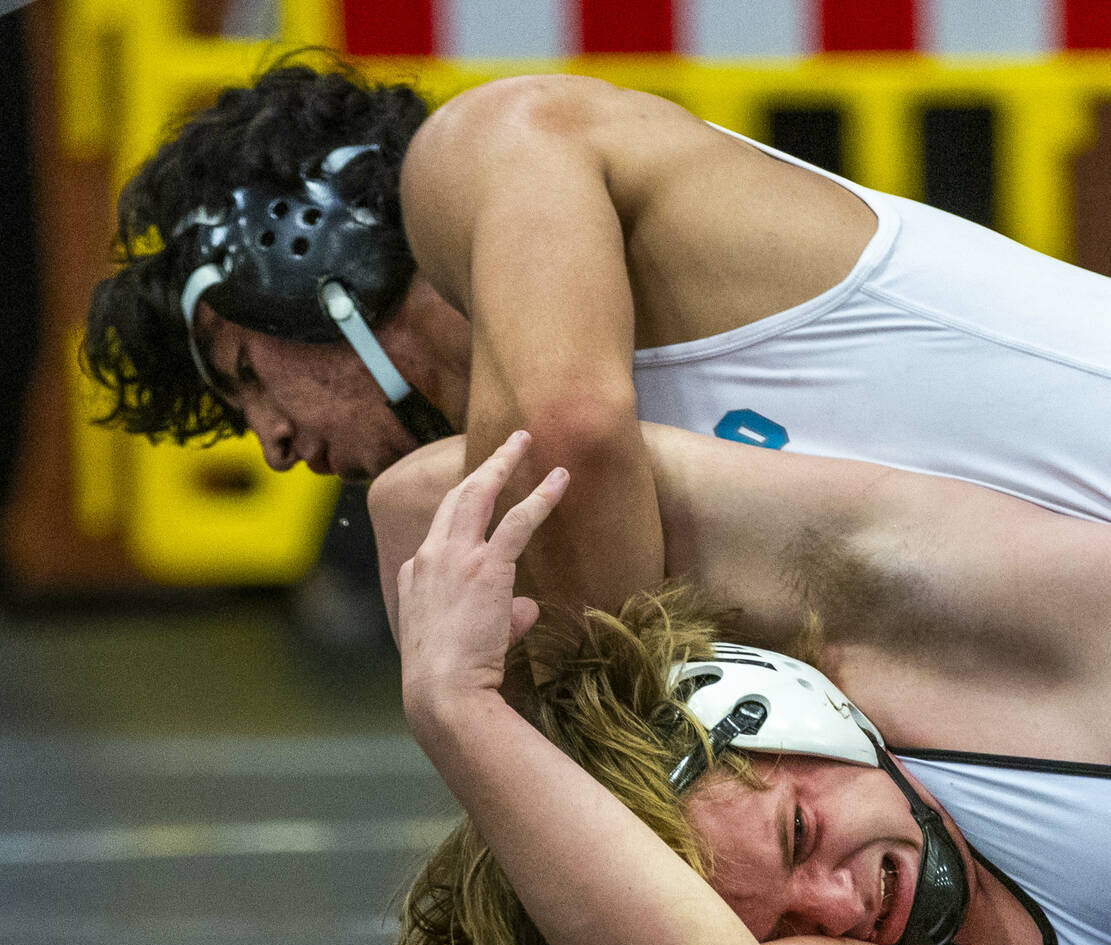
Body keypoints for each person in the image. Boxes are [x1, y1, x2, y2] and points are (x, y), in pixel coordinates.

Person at [164, 429, 1111, 945]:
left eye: (799, 833)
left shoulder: (995, 654)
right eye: (778, 931)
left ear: (811, 715)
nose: (835, 911)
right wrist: (455, 714)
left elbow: (420, 493)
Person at [85, 56, 1111, 622]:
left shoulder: (485, 145)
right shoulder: (598, 436)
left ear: (298, 258)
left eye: (247, 376)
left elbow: (565, 436)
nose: (271, 442)